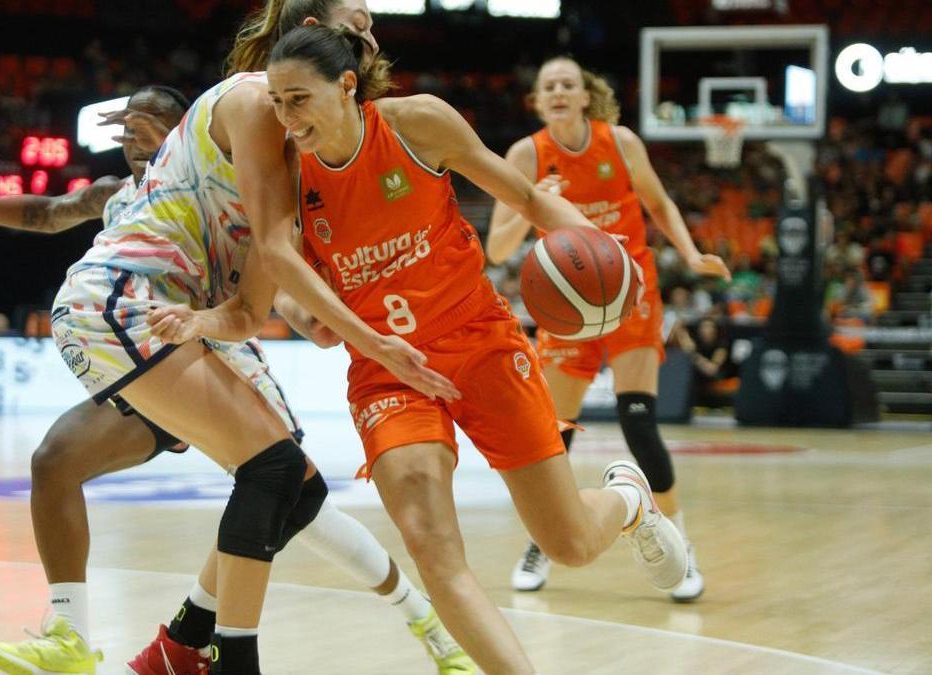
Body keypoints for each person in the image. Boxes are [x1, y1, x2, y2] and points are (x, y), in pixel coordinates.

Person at [0, 53, 470, 675]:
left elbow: (276, 280)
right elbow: (43, 214)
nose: (134, 141)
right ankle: (72, 634)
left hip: (210, 345)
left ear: (184, 134)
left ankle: (420, 622)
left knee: (294, 494)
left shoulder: (232, 174)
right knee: (54, 461)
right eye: (126, 133)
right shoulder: (119, 196)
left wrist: (316, 319)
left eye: (149, 128)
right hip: (146, 341)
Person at [236, 27, 688, 673]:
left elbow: (529, 199)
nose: (286, 117)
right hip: (385, 369)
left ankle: (628, 499)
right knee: (432, 547)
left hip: (478, 339)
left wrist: (608, 251)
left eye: (298, 98)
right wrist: (305, 315)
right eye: (277, 102)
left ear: (345, 86)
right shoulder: (282, 170)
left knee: (569, 542)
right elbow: (277, 275)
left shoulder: (417, 124)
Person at [487, 56, 731, 602]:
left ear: (583, 95)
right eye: (547, 85)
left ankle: (680, 545)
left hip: (631, 293)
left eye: (567, 84)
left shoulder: (619, 142)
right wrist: (533, 203)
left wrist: (689, 254)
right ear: (537, 100)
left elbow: (659, 202)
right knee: (554, 434)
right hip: (569, 309)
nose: (557, 92)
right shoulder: (526, 155)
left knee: (639, 424)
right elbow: (496, 248)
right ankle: (542, 541)